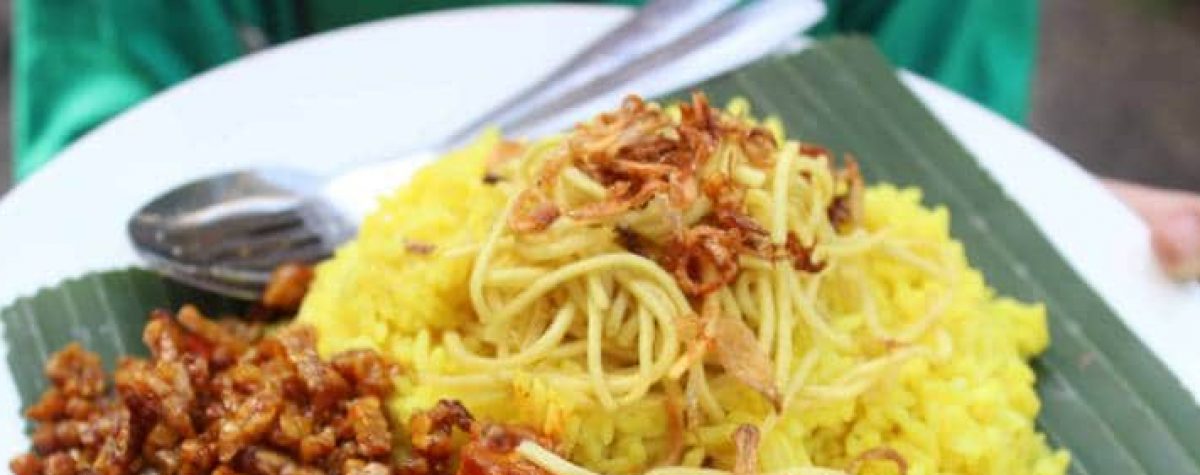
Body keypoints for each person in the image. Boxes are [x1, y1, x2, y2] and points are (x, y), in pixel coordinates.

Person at [10, 0, 1199, 278]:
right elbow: (106, 104)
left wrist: (1020, 189)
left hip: (790, 207)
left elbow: (922, 87)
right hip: (393, 233)